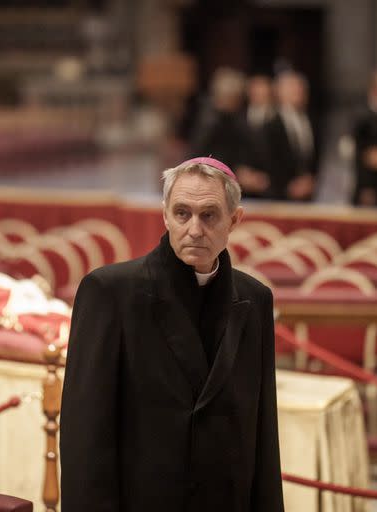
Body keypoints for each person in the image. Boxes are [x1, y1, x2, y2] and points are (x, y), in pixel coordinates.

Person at [60, 157, 284, 512]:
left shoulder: (254, 300)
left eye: (209, 215)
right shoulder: (110, 292)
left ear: (235, 220)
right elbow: (84, 437)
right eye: (182, 213)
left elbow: (263, 437)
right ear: (165, 215)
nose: (194, 228)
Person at [263, 71, 317, 201]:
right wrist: (289, 186)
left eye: (301, 87)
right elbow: (269, 160)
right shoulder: (270, 124)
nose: (298, 91)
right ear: (279, 92)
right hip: (280, 196)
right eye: (292, 87)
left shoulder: (311, 121)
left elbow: (312, 157)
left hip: (308, 195)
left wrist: (310, 180)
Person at [351, 71, 377, 205]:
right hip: (368, 187)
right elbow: (360, 154)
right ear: (375, 89)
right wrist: (367, 188)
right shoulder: (362, 115)